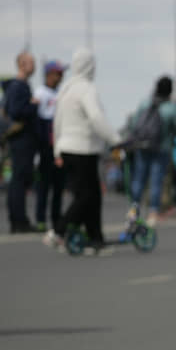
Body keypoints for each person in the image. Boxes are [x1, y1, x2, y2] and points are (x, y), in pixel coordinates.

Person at [44, 49, 120, 255]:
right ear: (90, 67)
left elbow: (57, 121)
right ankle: (59, 231)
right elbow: (96, 118)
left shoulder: (66, 89)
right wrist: (115, 139)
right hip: (83, 149)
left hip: (66, 148)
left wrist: (57, 149)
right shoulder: (87, 89)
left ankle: (95, 239)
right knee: (87, 196)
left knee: (89, 195)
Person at [128, 76, 176, 226]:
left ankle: (133, 211)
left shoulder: (145, 103)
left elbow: (134, 124)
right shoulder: (171, 108)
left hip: (142, 146)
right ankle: (153, 212)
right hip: (161, 148)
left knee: (139, 179)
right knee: (156, 181)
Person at [1, 52, 41, 233]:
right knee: (19, 179)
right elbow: (16, 111)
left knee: (19, 179)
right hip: (22, 140)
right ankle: (19, 221)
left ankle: (18, 219)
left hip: (21, 140)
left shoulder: (19, 85)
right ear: (22, 64)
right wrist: (33, 105)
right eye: (31, 62)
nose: (34, 65)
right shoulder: (18, 86)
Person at [33, 60, 67, 232]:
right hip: (46, 145)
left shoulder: (61, 93)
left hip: (60, 144)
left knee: (59, 186)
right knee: (44, 185)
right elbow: (39, 122)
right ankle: (40, 219)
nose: (61, 77)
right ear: (49, 74)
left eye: (62, 73)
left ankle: (56, 219)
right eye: (58, 73)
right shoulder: (40, 93)